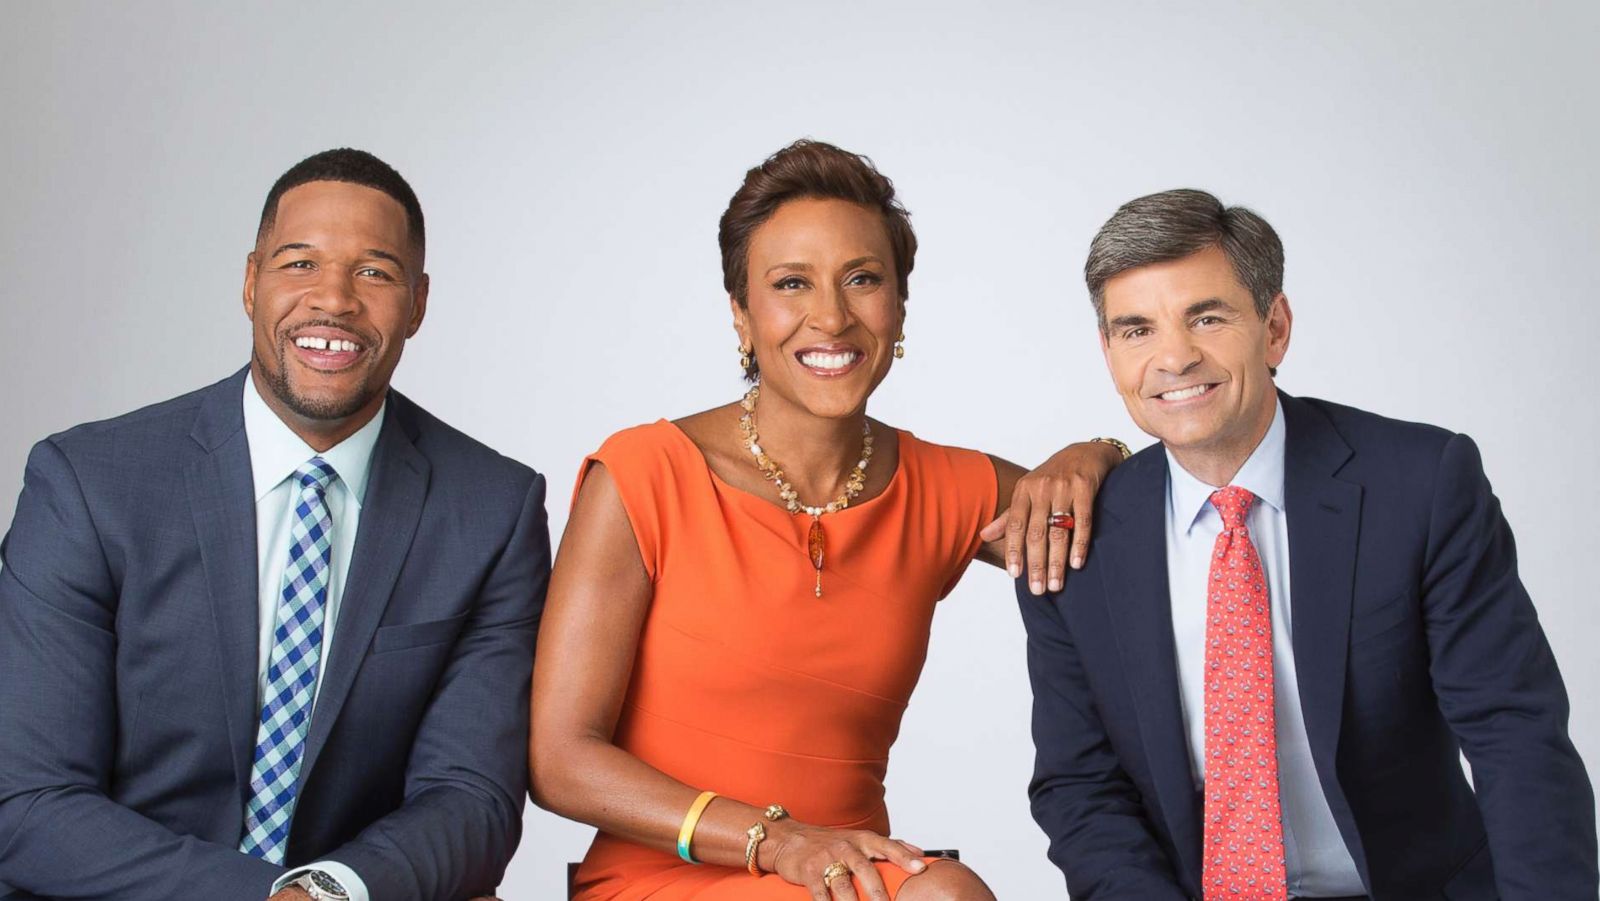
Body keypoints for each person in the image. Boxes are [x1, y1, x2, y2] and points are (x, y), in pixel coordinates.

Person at [528, 139, 1129, 901]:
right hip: (665, 874)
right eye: (791, 284)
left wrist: (1097, 451)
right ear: (741, 315)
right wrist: (775, 841)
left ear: (900, 306)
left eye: (863, 279)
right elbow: (559, 759)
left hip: (851, 875)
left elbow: (1129, 535)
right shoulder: (645, 474)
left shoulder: (942, 486)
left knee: (948, 893)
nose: (832, 316)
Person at [0, 149, 550, 901]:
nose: (335, 301)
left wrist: (328, 890)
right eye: (299, 264)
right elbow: (27, 802)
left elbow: (471, 797)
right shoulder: (89, 484)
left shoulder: (492, 509)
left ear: (418, 303)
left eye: (375, 272)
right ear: (251, 280)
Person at [1018, 188, 1598, 899]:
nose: (1174, 356)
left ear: (1275, 327)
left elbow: (1516, 735)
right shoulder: (1075, 541)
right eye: (1136, 329)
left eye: (1207, 316)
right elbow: (1082, 787)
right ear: (1108, 351)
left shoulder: (1419, 485)